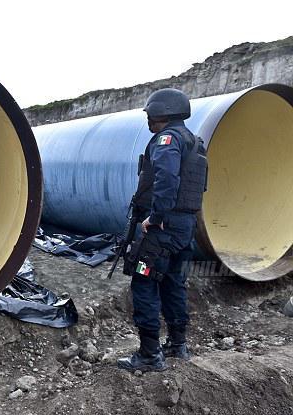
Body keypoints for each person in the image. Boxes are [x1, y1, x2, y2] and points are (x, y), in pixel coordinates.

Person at [117, 88, 208, 372]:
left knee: (144, 281)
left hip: (163, 227)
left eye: (149, 114)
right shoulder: (195, 141)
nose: (147, 119)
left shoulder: (167, 140)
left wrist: (156, 217)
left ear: (161, 113)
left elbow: (167, 178)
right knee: (173, 282)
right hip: (185, 227)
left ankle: (148, 355)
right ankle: (177, 345)